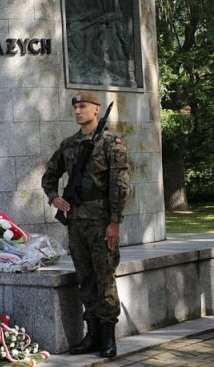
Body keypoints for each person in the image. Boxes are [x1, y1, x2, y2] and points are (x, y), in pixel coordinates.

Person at [41, 91, 129, 358]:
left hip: (102, 221)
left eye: (83, 106)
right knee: (85, 278)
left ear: (97, 110)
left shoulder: (111, 143)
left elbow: (119, 185)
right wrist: (54, 197)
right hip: (76, 222)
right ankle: (92, 334)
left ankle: (108, 335)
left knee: (105, 276)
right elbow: (49, 175)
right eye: (75, 107)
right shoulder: (69, 145)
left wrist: (115, 222)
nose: (78, 111)